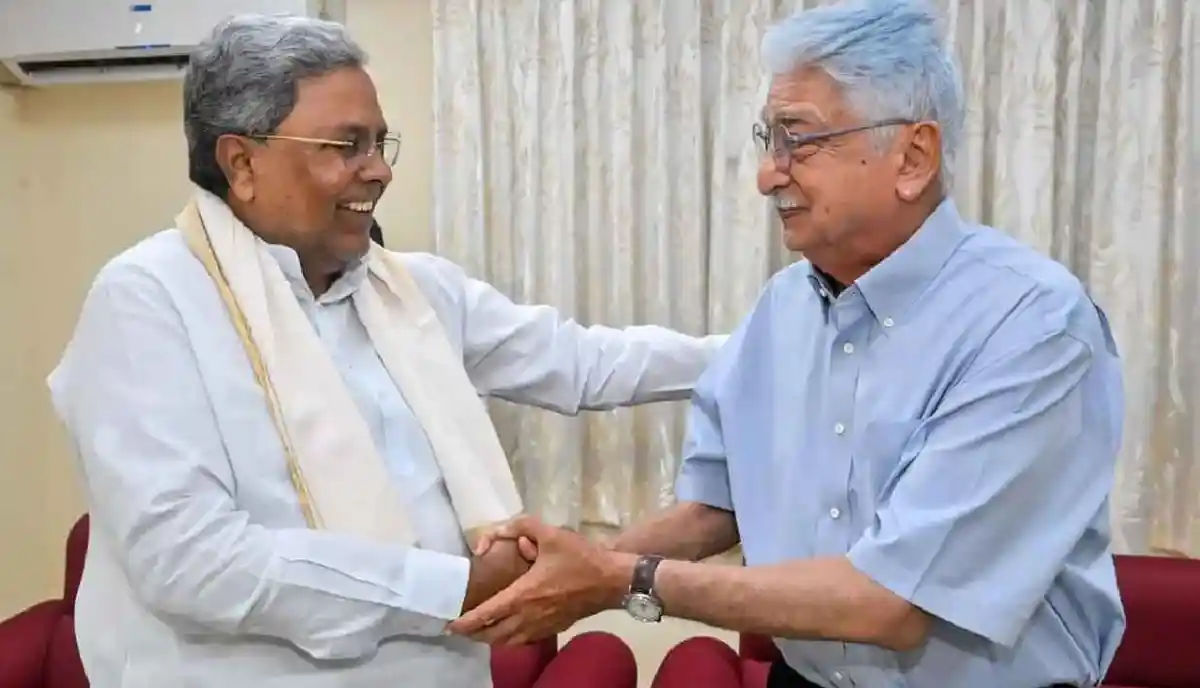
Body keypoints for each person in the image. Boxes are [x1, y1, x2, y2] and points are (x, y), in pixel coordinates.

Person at [454, 1, 1126, 687]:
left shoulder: (1031, 324)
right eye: (767, 140)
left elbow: (893, 601)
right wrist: (570, 564)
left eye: (797, 141)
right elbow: (717, 507)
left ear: (913, 157)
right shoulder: (782, 310)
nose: (767, 175)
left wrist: (621, 578)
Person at [47, 14, 724, 688]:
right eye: (346, 146)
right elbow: (193, 563)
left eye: (379, 143)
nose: (378, 172)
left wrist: (757, 350)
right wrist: (454, 586)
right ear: (242, 164)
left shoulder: (412, 290)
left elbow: (585, 364)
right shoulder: (150, 299)